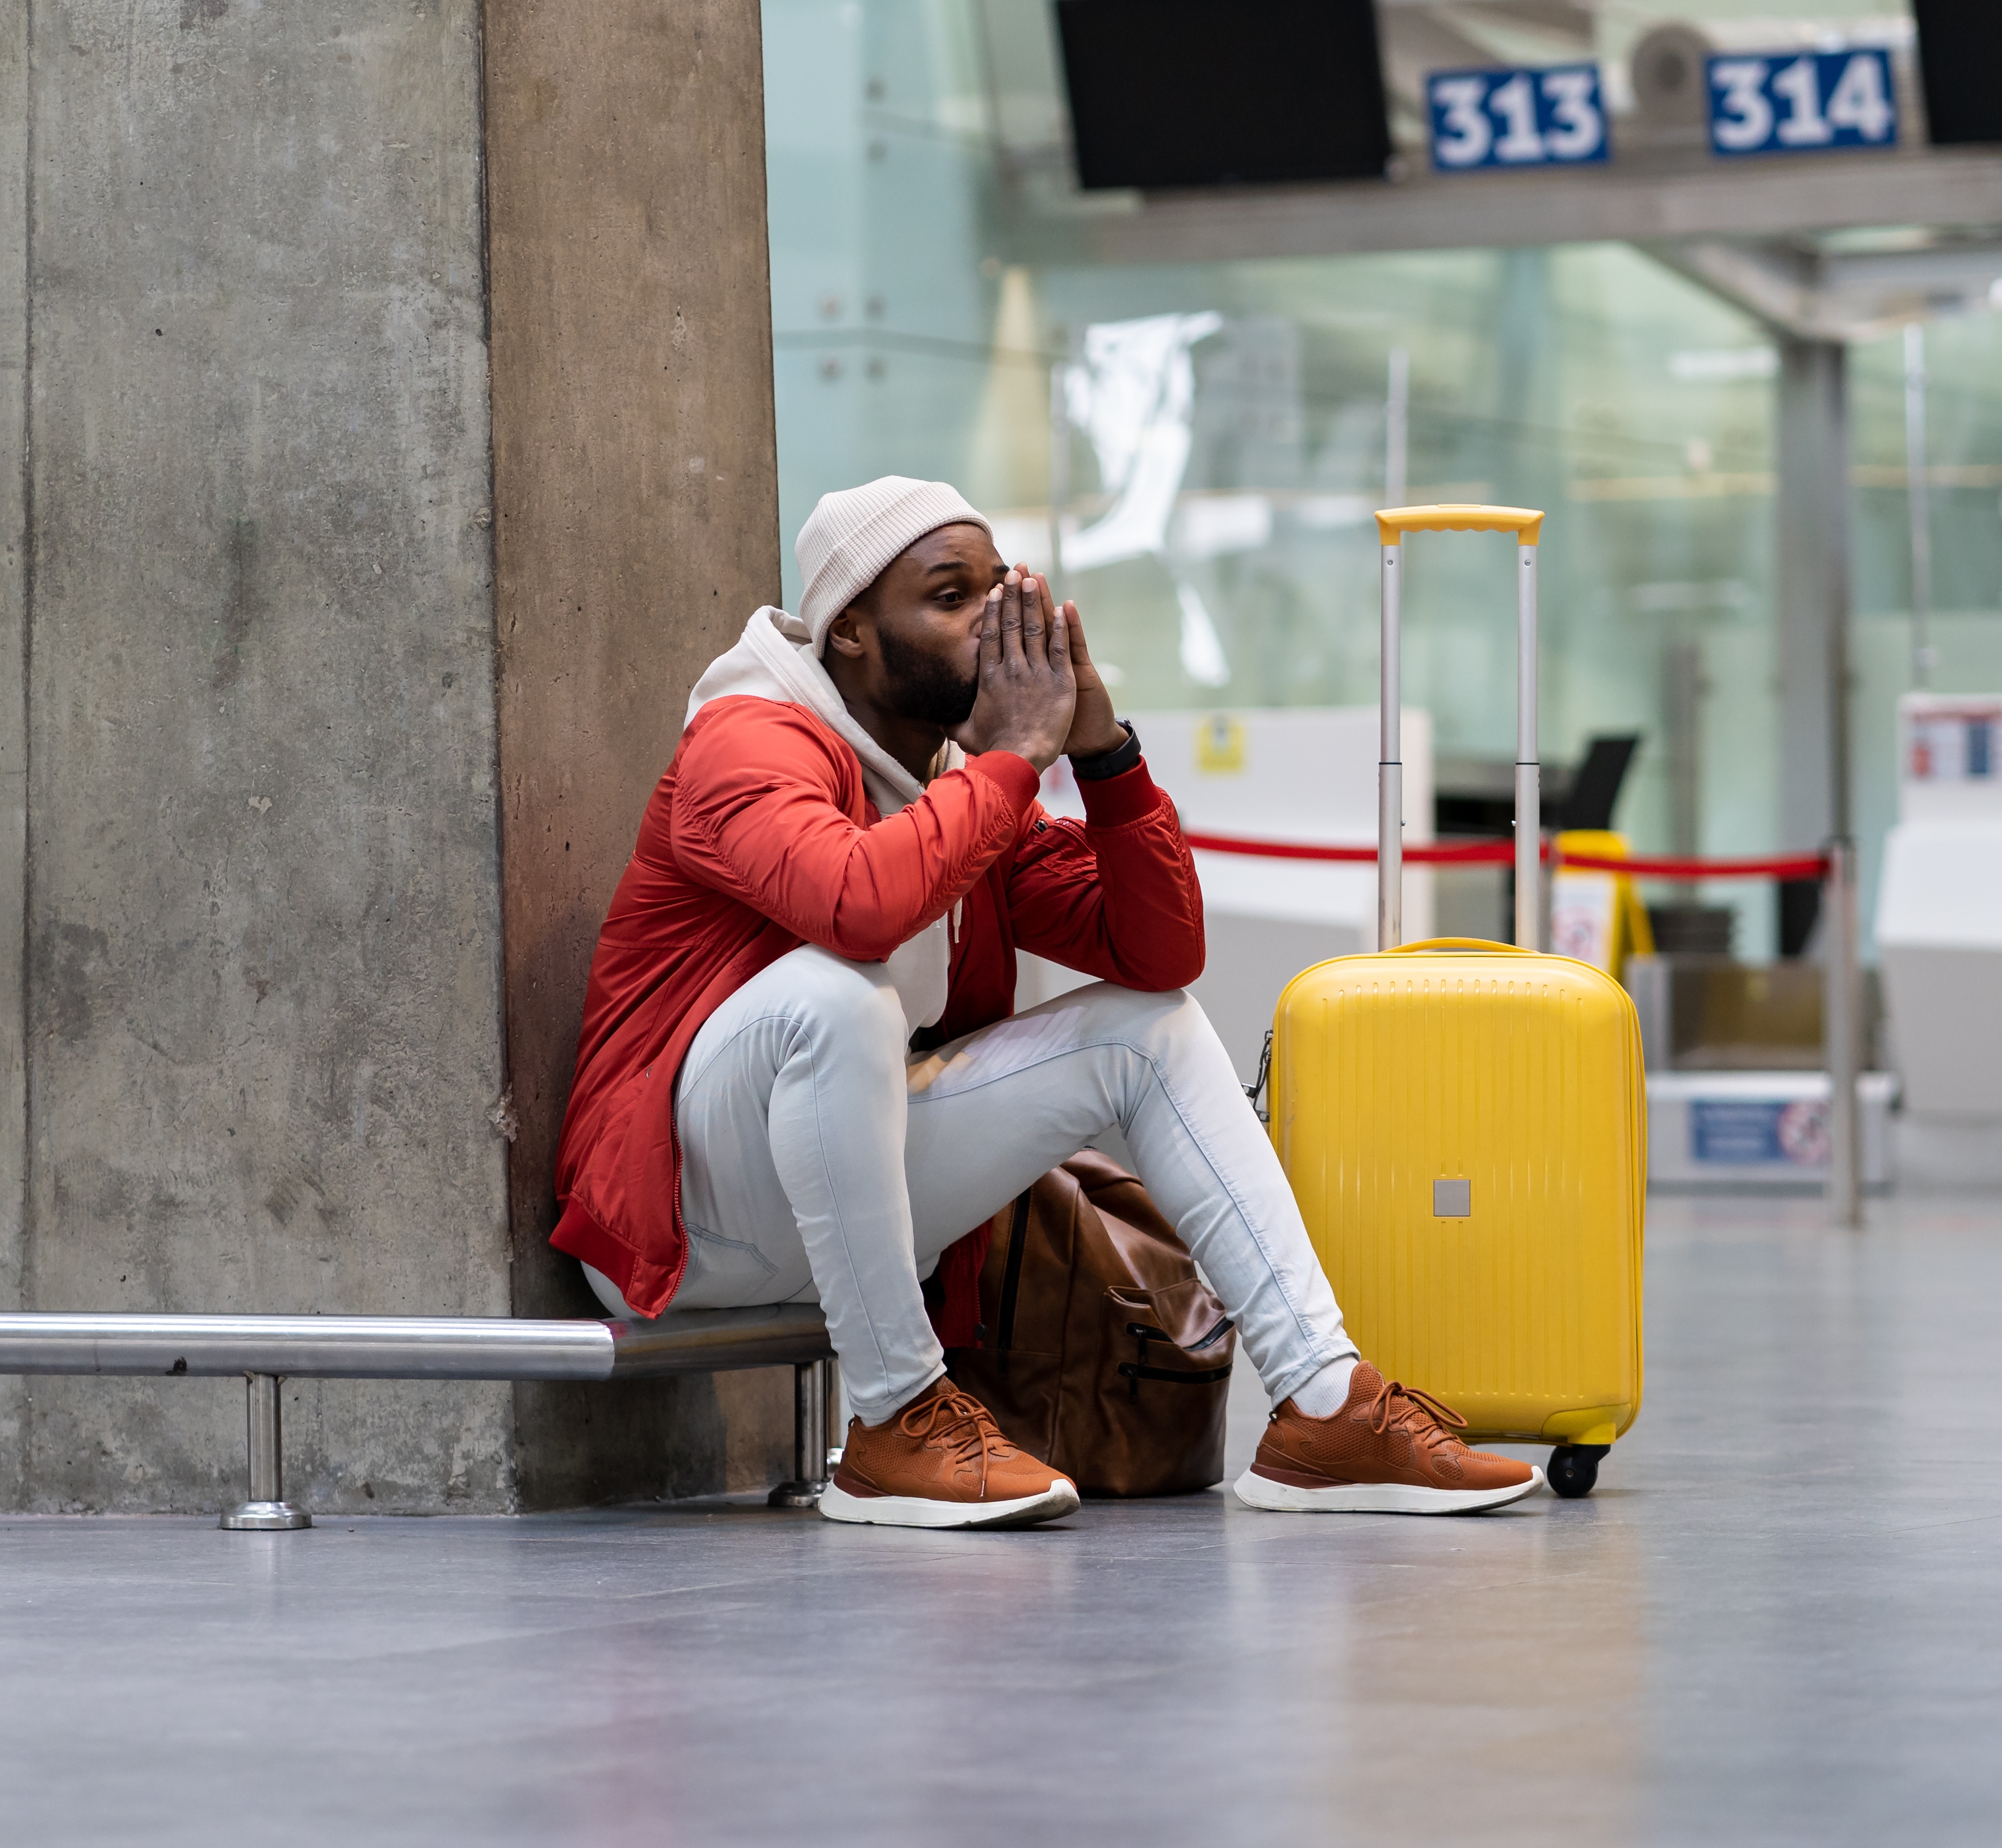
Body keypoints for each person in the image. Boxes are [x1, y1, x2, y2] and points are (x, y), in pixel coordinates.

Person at [552, 476, 1541, 1529]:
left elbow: (1158, 951)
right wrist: (1015, 757)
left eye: (999, 588)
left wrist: (1105, 755)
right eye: (948, 597)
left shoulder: (957, 787)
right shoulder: (749, 742)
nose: (991, 619)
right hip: (691, 1212)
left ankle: (1323, 1404)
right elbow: (858, 905)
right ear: (849, 633)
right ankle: (891, 1423)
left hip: (840, 1215)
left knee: (1144, 1029)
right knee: (831, 996)